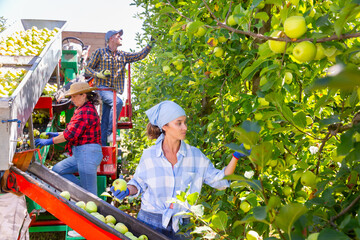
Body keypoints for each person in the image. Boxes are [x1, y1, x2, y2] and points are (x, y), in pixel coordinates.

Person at [110, 101, 247, 239]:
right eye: (179, 123)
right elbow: (138, 184)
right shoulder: (149, 155)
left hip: (182, 227)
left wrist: (235, 156)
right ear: (165, 126)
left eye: (185, 122)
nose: (185, 127)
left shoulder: (195, 156)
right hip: (150, 223)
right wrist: (127, 190)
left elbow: (220, 180)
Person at [85, 29, 154, 146]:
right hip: (101, 88)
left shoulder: (123, 55)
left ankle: (103, 148)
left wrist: (151, 43)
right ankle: (111, 133)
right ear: (111, 38)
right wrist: (98, 74)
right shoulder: (100, 52)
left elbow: (139, 55)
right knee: (117, 103)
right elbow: (87, 69)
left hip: (112, 91)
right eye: (118, 36)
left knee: (105, 120)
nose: (121, 38)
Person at [35, 82, 103, 196]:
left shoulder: (86, 111)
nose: (72, 99)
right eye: (71, 96)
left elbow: (70, 135)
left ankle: (86, 198)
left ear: (84, 95)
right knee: (58, 170)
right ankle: (82, 193)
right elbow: (73, 131)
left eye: (74, 96)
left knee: (91, 195)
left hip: (87, 153)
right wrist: (56, 134)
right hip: (80, 154)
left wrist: (49, 141)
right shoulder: (82, 109)